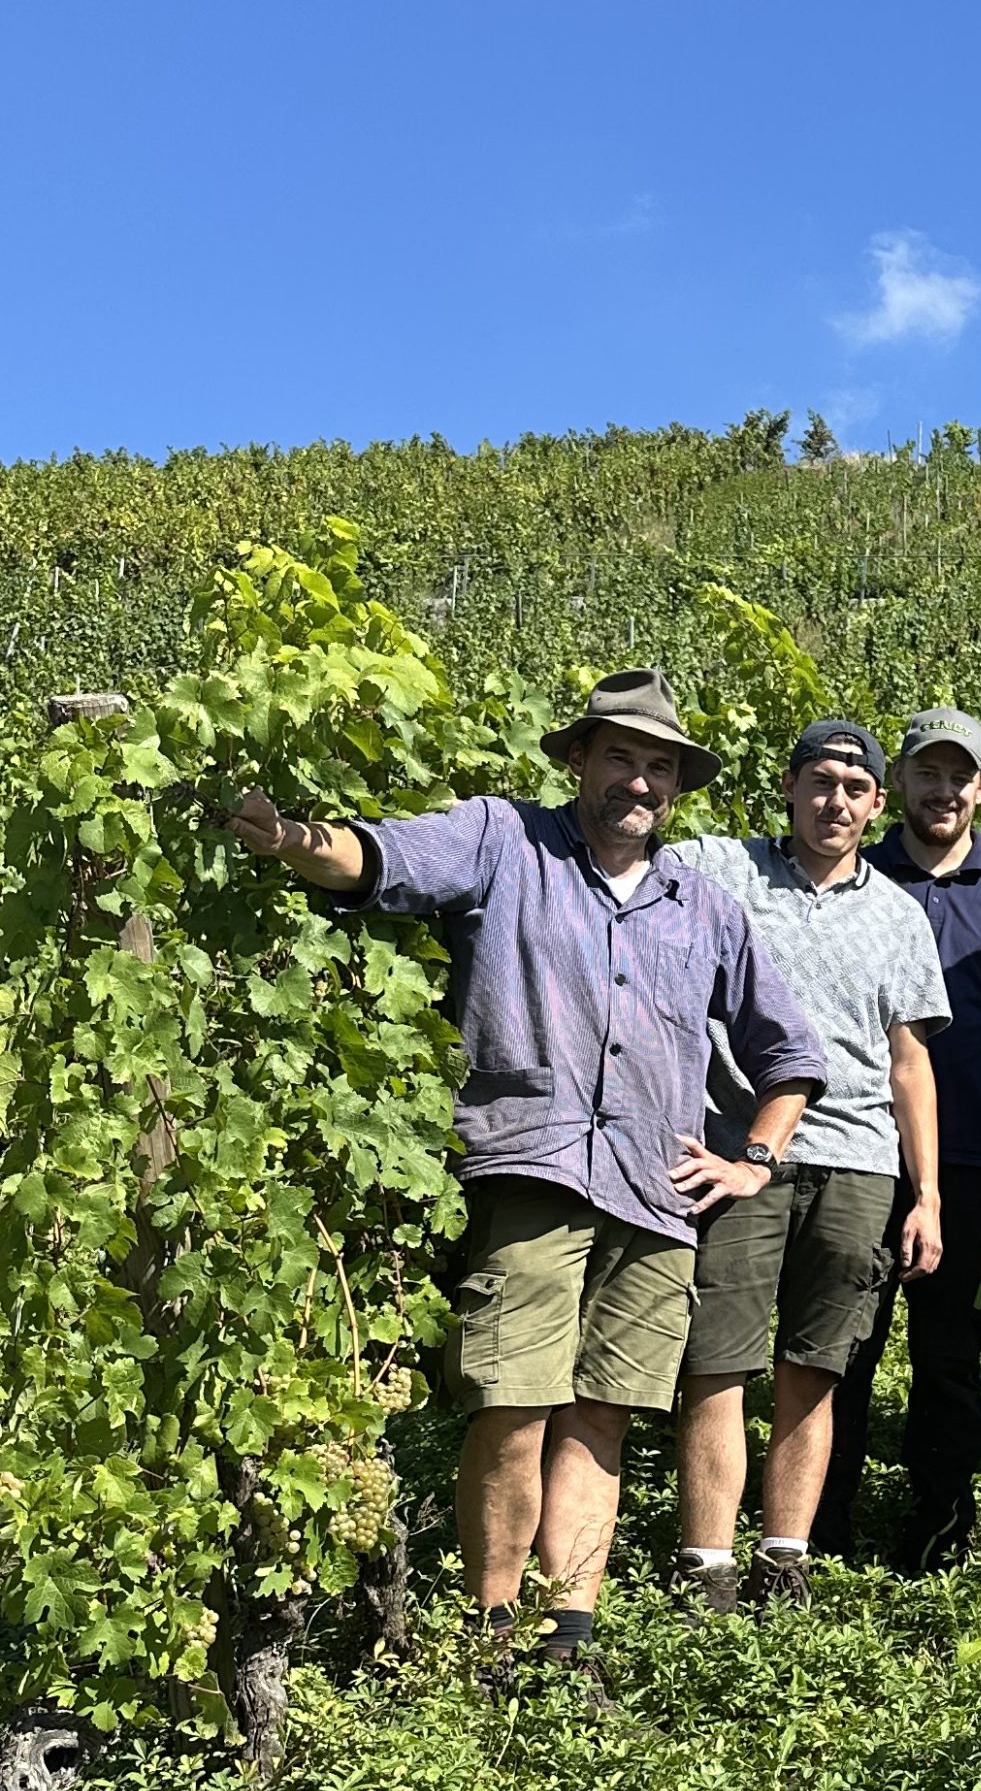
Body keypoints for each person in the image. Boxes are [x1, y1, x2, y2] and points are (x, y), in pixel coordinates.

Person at [222, 670, 827, 1691]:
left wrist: (754, 1159)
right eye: (623, 757)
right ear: (578, 759)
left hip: (655, 1190)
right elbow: (381, 857)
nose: (641, 781)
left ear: (678, 788)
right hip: (531, 1169)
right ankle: (493, 1628)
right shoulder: (506, 842)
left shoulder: (704, 908)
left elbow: (791, 1052)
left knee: (605, 1413)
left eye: (661, 767)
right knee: (514, 1404)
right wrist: (290, 840)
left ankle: (569, 1635)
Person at [667, 718, 950, 1611]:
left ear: (877, 805)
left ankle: (782, 1558)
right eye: (820, 782)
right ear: (788, 788)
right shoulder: (719, 870)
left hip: (860, 1166)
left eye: (855, 788)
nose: (837, 801)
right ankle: (706, 1565)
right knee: (718, 1363)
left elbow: (910, 1064)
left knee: (815, 1367)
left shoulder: (898, 915)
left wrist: (927, 1193)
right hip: (738, 1150)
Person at [823, 707, 981, 1572]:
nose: (943, 790)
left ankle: (939, 1527)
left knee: (950, 1352)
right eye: (927, 772)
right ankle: (825, 1522)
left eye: (959, 775)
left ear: (980, 787)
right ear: (898, 788)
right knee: (844, 1345)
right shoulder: (856, 878)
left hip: (974, 1156)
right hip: (857, 1151)